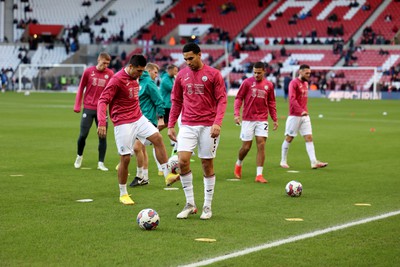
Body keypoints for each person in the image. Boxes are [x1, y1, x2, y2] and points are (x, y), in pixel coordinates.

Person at [97, 55, 180, 205]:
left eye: (143, 71)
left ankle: (167, 175)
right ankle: (123, 193)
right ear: (131, 66)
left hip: (138, 117)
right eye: (139, 71)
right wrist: (102, 122)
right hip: (123, 122)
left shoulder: (138, 77)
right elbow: (103, 100)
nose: (141, 74)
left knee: (158, 138)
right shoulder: (116, 80)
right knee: (126, 158)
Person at [168, 43, 227, 220]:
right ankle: (190, 204)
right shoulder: (181, 76)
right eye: (185, 59)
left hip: (208, 125)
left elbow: (222, 100)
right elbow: (176, 101)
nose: (188, 62)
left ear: (200, 55)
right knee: (182, 161)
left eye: (191, 58)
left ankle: (207, 206)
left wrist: (218, 123)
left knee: (206, 164)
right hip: (187, 124)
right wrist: (171, 124)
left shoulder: (214, 74)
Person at [233, 62, 278, 183]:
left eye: (259, 72)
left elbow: (272, 103)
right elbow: (238, 98)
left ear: (264, 71)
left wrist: (274, 119)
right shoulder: (247, 83)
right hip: (248, 119)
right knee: (246, 147)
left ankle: (259, 175)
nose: (256, 75)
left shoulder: (269, 85)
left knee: (261, 144)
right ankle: (238, 163)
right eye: (255, 72)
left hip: (262, 119)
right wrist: (236, 114)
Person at [280, 64, 328, 169]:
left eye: (309, 73)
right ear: (300, 72)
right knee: (289, 138)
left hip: (305, 115)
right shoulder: (293, 83)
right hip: (295, 115)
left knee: (309, 137)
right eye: (306, 73)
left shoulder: (306, 83)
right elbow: (292, 99)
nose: (308, 75)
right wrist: (301, 110)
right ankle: (283, 161)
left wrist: (304, 111)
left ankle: (313, 162)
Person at [73, 52, 113, 171]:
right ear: (98, 60)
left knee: (103, 136)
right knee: (83, 135)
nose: (105, 65)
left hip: (102, 110)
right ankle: (79, 156)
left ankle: (101, 163)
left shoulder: (110, 74)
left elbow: (113, 92)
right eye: (104, 62)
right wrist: (77, 105)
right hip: (88, 108)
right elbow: (81, 88)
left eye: (107, 63)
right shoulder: (88, 72)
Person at [129, 63, 165, 187]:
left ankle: (140, 176)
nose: (156, 75)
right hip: (136, 120)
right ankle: (145, 177)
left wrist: (160, 118)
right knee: (141, 149)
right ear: (148, 71)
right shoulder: (138, 81)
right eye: (155, 72)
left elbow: (159, 100)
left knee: (136, 148)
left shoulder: (148, 83)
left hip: (148, 120)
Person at [159, 64, 179, 158]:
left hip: (169, 104)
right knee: (167, 124)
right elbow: (174, 89)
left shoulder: (169, 78)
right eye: (175, 71)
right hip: (166, 104)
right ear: (170, 70)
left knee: (170, 123)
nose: (176, 73)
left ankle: (173, 142)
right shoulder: (165, 79)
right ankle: (152, 133)